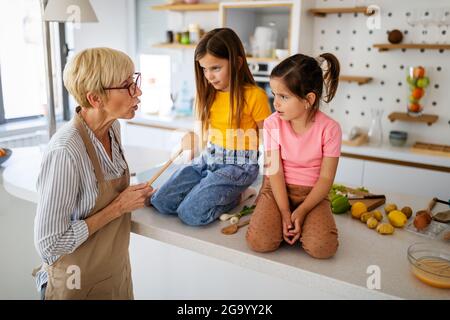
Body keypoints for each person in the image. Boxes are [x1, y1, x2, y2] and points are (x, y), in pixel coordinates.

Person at [33, 47, 154, 299]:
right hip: (76, 284)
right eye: (127, 85)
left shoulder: (113, 129)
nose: (138, 91)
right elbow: (50, 245)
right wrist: (118, 207)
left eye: (134, 81)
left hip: (116, 273)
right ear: (95, 99)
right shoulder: (65, 151)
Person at [151, 28, 272, 226]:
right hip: (209, 158)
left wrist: (267, 186)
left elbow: (270, 143)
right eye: (204, 69)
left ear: (238, 63)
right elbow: (204, 135)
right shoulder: (208, 94)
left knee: (190, 214)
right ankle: (210, 187)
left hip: (239, 165)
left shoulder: (254, 96)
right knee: (161, 202)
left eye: (215, 68)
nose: (209, 76)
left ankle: (239, 195)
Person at [246, 53, 341, 259]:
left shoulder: (330, 129)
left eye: (284, 97)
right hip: (277, 189)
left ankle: (301, 223)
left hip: (313, 194)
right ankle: (289, 223)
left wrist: (303, 210)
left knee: (323, 248)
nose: (276, 103)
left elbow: (326, 179)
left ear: (308, 99)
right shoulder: (272, 124)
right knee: (259, 242)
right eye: (274, 94)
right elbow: (275, 170)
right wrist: (284, 211)